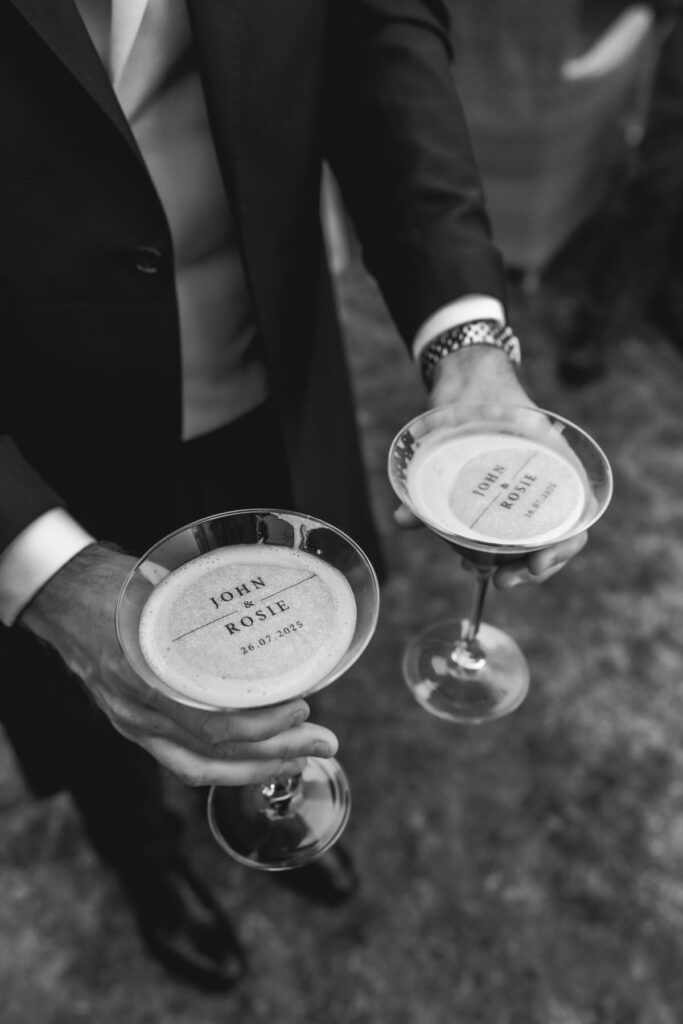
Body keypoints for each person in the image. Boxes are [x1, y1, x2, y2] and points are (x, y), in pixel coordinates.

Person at [0, 0, 586, 994]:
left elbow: (380, 35)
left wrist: (464, 337)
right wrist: (35, 560)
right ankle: (145, 856)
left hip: (268, 372)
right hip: (37, 429)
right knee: (91, 694)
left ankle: (276, 798)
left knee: (285, 633)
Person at [558, 0, 683, 386]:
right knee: (645, 204)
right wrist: (589, 67)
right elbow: (649, 12)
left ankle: (666, 301)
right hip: (674, 108)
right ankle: (593, 325)